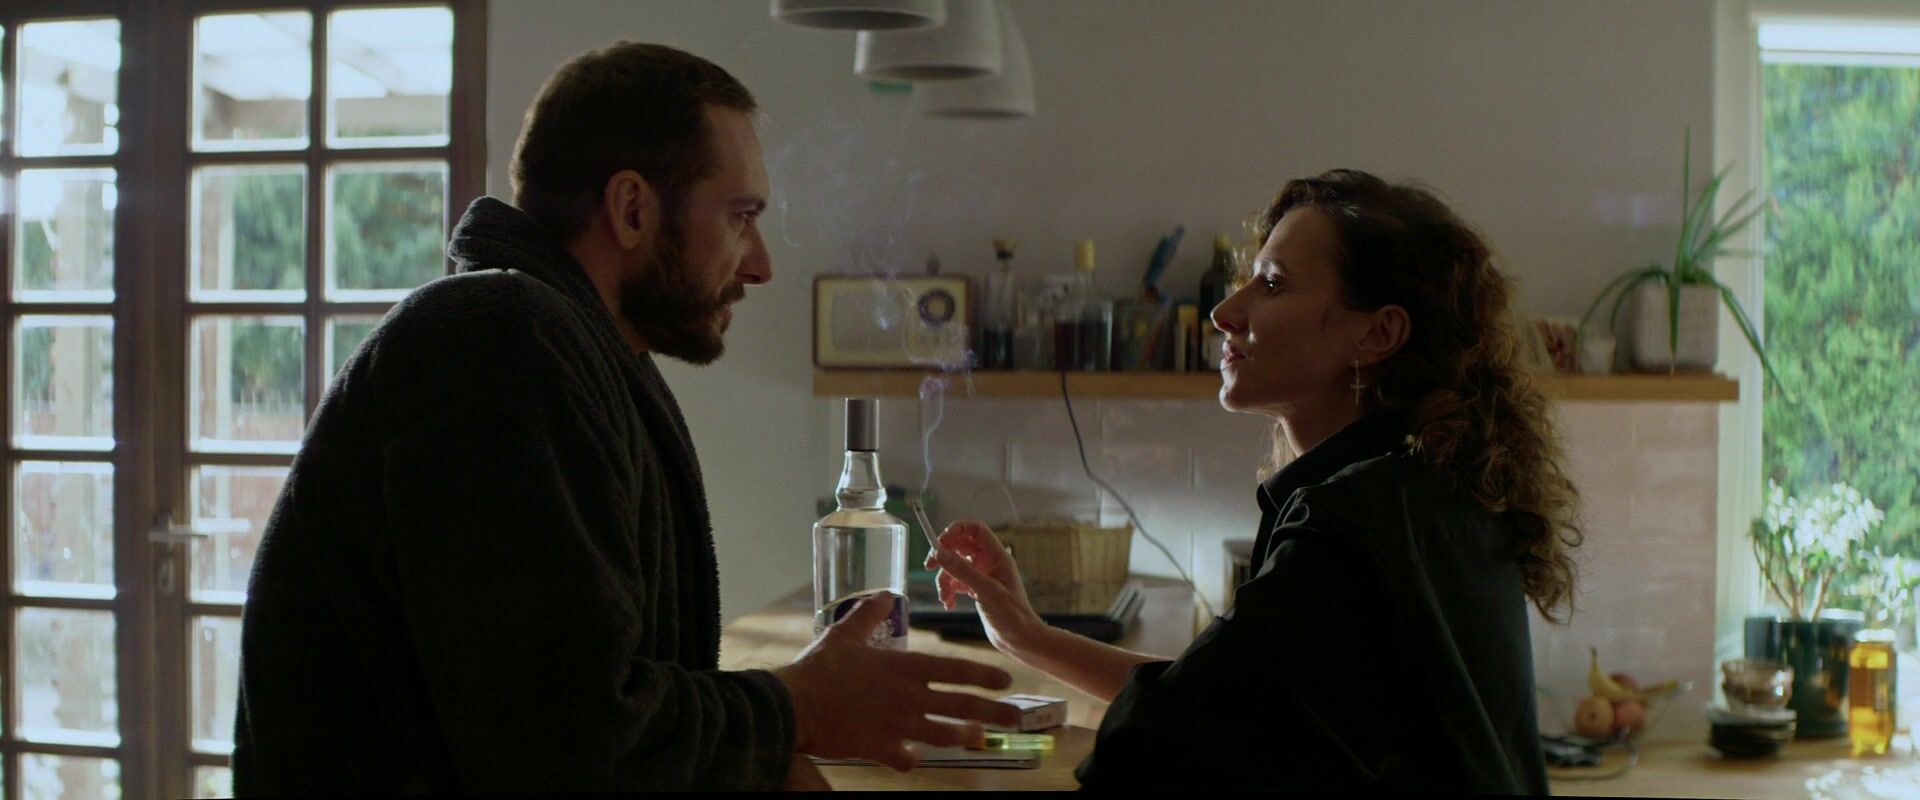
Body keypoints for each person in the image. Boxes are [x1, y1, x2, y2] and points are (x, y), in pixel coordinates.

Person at [232, 42, 1019, 794]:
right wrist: (796, 708)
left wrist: (759, 753)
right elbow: (566, 749)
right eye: (740, 216)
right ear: (633, 208)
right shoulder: (497, 344)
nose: (760, 264)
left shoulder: (572, 351)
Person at [928, 169, 1581, 793]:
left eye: (1272, 285)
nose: (1224, 312)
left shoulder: (1353, 521)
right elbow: (1223, 704)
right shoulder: (1430, 491)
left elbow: (1159, 743)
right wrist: (1028, 636)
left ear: (1378, 332)